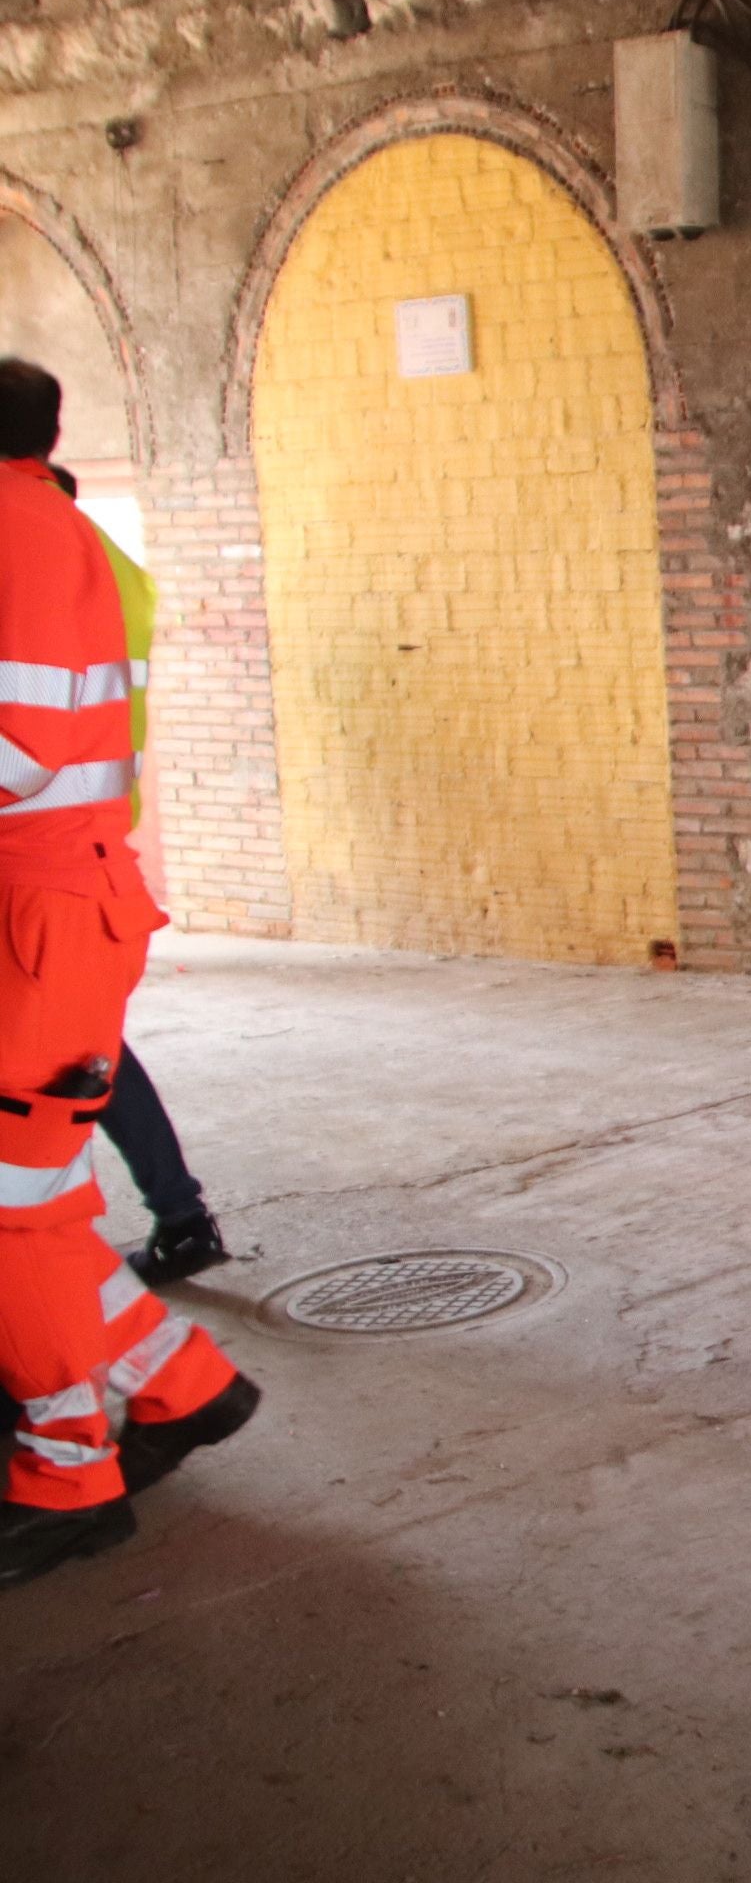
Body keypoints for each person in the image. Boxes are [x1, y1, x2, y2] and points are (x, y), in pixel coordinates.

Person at [0, 359, 259, 1589]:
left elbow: (24, 743)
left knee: (13, 1215)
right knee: (30, 1210)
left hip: (40, 912)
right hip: (55, 904)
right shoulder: (58, 532)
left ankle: (68, 1473)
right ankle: (180, 1383)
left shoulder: (20, 535)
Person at [42, 463, 230, 1284]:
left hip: (38, 867)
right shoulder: (113, 575)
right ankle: (181, 1217)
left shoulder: (48, 585)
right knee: (93, 1052)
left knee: (67, 1062)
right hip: (94, 860)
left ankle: (53, 1260)